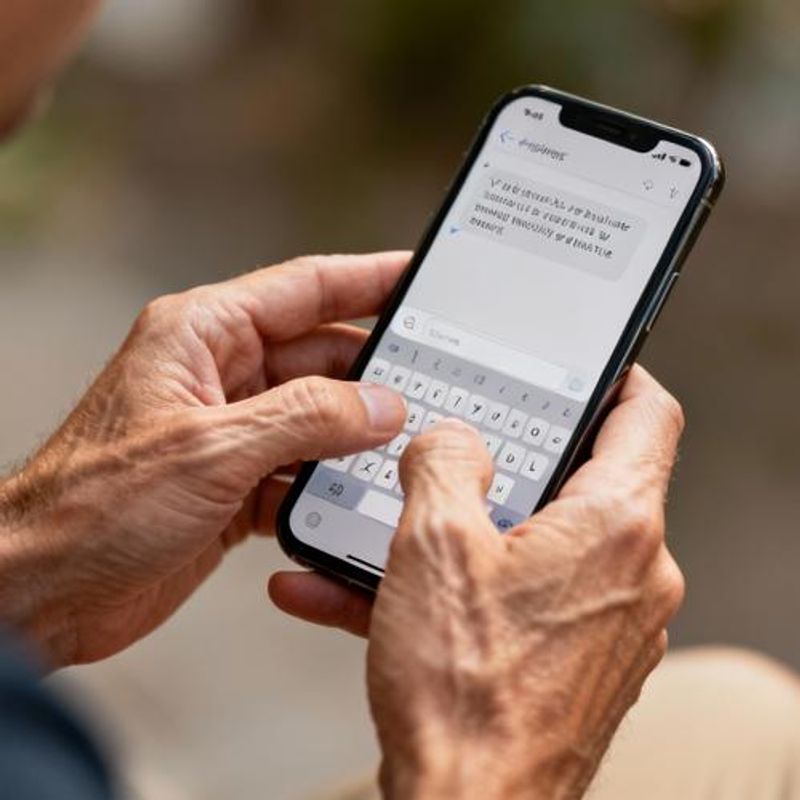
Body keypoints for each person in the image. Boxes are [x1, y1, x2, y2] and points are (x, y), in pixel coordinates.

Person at [2, 3, 792, 800]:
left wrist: (29, 567)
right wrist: (513, 759)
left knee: (750, 707)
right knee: (758, 723)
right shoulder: (37, 756)